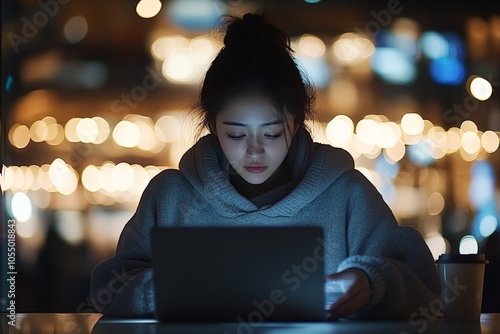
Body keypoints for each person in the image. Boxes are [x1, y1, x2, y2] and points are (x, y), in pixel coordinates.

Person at [89, 13, 440, 319]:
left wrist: (372, 282)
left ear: (298, 121)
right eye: (236, 136)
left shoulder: (348, 194)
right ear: (212, 126)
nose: (254, 152)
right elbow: (109, 288)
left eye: (271, 134)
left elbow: (424, 284)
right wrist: (174, 289)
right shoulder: (171, 196)